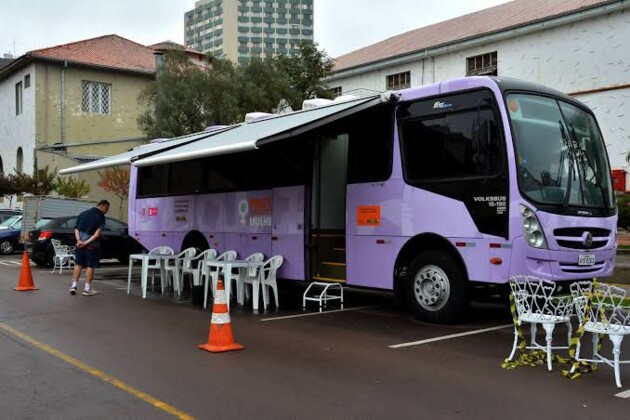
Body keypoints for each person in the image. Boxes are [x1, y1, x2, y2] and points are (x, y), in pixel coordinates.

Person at [69, 200, 110, 296]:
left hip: (79, 245)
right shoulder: (100, 217)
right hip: (92, 246)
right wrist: (86, 243)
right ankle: (87, 289)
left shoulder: (83, 213)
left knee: (78, 264)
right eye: (107, 208)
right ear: (102, 206)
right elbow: (97, 234)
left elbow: (76, 229)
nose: (107, 211)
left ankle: (73, 286)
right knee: (90, 266)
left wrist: (79, 240)